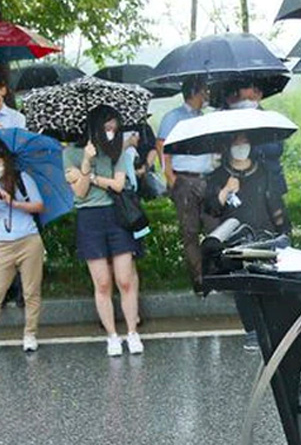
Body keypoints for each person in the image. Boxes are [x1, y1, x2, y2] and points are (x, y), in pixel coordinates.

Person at [64, 106, 144, 356]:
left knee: (125, 279)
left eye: (114, 128)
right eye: (107, 127)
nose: (111, 132)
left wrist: (90, 175)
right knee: (102, 282)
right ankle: (112, 335)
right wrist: (86, 161)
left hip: (116, 215)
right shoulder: (71, 153)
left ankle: (132, 332)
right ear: (96, 126)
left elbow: (118, 185)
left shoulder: (115, 151)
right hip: (89, 218)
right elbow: (80, 192)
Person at [205, 133, 291, 350]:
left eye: (244, 142)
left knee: (268, 281)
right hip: (235, 238)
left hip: (264, 235)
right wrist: (225, 190)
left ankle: (271, 326)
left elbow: (276, 205)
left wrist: (284, 231)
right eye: (235, 143)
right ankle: (251, 330)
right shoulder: (218, 176)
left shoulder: (264, 172)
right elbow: (211, 208)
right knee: (243, 285)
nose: (240, 147)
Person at [157, 78, 218, 294]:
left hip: (206, 178)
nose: (207, 95)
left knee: (214, 228)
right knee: (190, 231)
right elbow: (162, 146)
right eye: (204, 91)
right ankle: (200, 279)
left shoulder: (204, 118)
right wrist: (170, 176)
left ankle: (215, 275)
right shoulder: (173, 117)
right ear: (194, 92)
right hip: (184, 179)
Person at [0, 139, 44, 352]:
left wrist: (13, 202)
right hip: (2, 245)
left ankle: (30, 334)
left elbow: (38, 206)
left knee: (31, 291)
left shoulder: (21, 179)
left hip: (29, 241)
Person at [0, 76, 27, 311]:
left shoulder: (16, 119)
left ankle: (19, 289)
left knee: (15, 232)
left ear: (3, 90)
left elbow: (23, 150)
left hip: (12, 180)